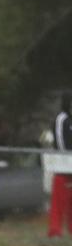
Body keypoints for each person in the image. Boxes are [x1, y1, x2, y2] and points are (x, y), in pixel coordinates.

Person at [48, 93, 71, 237]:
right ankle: (55, 230)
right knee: (59, 201)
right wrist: (67, 160)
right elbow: (61, 141)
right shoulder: (62, 119)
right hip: (64, 168)